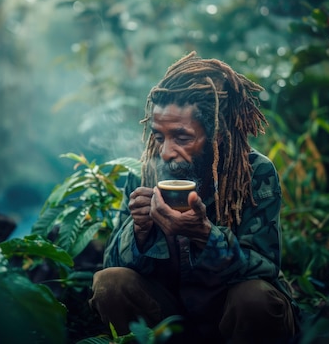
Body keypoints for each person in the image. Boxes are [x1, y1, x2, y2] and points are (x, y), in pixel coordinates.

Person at [89, 51, 299, 343]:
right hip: (169, 313)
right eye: (159, 136)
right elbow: (109, 262)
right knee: (110, 282)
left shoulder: (253, 172)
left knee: (255, 298)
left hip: (231, 315)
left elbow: (265, 265)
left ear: (218, 134)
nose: (166, 152)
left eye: (182, 137)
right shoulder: (145, 173)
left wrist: (205, 235)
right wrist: (138, 231)